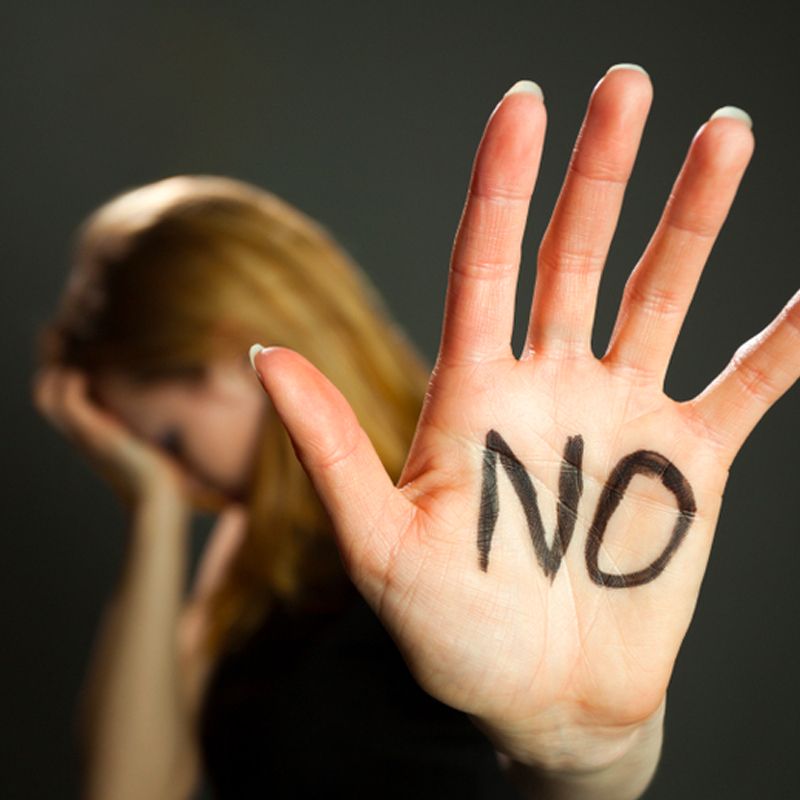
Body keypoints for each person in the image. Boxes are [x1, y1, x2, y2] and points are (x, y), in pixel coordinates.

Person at [31, 63, 798, 800]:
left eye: (167, 442)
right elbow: (127, 790)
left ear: (227, 353)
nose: (184, 484)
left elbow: (557, 763)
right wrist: (155, 513)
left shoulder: (466, 513)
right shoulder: (254, 545)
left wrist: (590, 759)